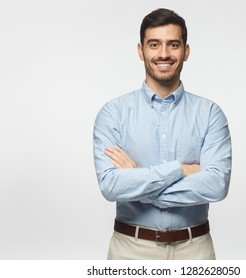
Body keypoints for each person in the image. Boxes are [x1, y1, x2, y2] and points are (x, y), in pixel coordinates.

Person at [93, 8, 232, 260]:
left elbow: (216, 185)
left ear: (186, 51)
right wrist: (180, 169)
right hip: (130, 251)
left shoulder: (210, 113)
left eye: (173, 44)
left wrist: (137, 181)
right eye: (154, 44)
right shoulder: (113, 113)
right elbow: (111, 186)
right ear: (140, 50)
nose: (164, 54)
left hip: (195, 250)